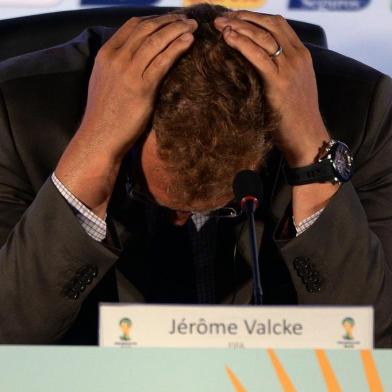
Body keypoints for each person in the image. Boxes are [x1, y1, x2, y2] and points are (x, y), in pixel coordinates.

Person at [0, 4, 391, 346]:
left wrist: (314, 156)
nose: (181, 220)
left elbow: (377, 342)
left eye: (223, 207)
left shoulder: (369, 114)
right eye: (160, 199)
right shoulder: (14, 113)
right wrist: (93, 150)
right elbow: (9, 333)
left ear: (269, 140)